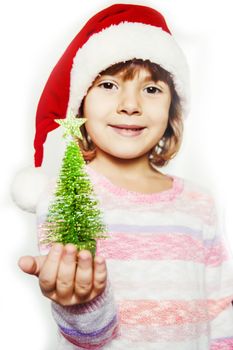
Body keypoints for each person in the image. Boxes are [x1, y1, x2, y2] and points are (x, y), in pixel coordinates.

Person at [13, 3, 233, 349]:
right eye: (109, 85)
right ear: (81, 102)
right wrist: (83, 303)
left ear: (172, 110)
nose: (130, 105)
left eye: (151, 89)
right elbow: (89, 336)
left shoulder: (199, 202)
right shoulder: (67, 196)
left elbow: (220, 310)